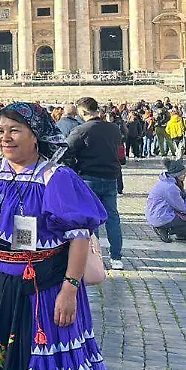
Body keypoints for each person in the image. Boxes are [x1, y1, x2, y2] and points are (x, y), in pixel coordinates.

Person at [0, 102, 120, 370]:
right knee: (6, 352)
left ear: (35, 136)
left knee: (38, 351)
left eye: (14, 130)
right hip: (0, 282)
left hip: (46, 285)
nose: (5, 138)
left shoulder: (56, 177)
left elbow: (79, 235)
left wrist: (70, 288)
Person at [66, 97, 125, 270]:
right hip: (111, 177)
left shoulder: (81, 130)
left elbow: (65, 151)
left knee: (92, 219)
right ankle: (116, 257)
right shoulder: (114, 129)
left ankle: (95, 256)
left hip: (89, 178)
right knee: (112, 218)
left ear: (83, 112)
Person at [145, 159, 186, 243]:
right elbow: (183, 208)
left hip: (156, 215)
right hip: (161, 217)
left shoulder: (165, 182)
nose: (185, 175)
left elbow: (176, 199)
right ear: (176, 174)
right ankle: (165, 230)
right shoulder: (170, 187)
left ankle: (181, 233)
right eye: (183, 173)